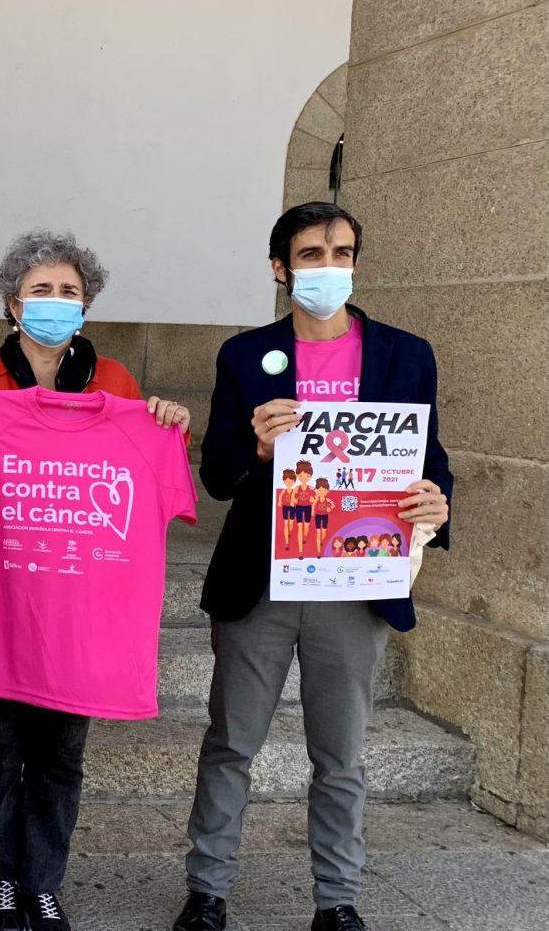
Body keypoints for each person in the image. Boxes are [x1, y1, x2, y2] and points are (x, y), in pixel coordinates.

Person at [172, 202, 451, 931]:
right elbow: (218, 473)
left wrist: (435, 500)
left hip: (355, 580)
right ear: (280, 267)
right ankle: (207, 892)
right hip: (262, 578)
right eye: (312, 254)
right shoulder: (244, 354)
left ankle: (338, 901)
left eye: (341, 252)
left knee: (342, 754)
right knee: (232, 741)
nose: (329, 267)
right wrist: (258, 452)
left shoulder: (406, 353)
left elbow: (431, 461)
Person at [0, 229, 190, 931]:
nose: (55, 302)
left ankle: (43, 878)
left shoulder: (119, 388)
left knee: (60, 749)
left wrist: (167, 425)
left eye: (68, 292)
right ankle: (0, 880)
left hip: (81, 605)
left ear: (87, 306)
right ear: (13, 305)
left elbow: (147, 484)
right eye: (40, 291)